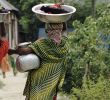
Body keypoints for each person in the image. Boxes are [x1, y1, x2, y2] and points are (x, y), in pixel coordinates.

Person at [9, 23, 68, 100]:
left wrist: (13, 51)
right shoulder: (65, 45)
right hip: (52, 84)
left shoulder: (43, 43)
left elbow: (23, 51)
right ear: (61, 28)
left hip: (39, 84)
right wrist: (61, 19)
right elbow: (64, 29)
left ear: (48, 29)